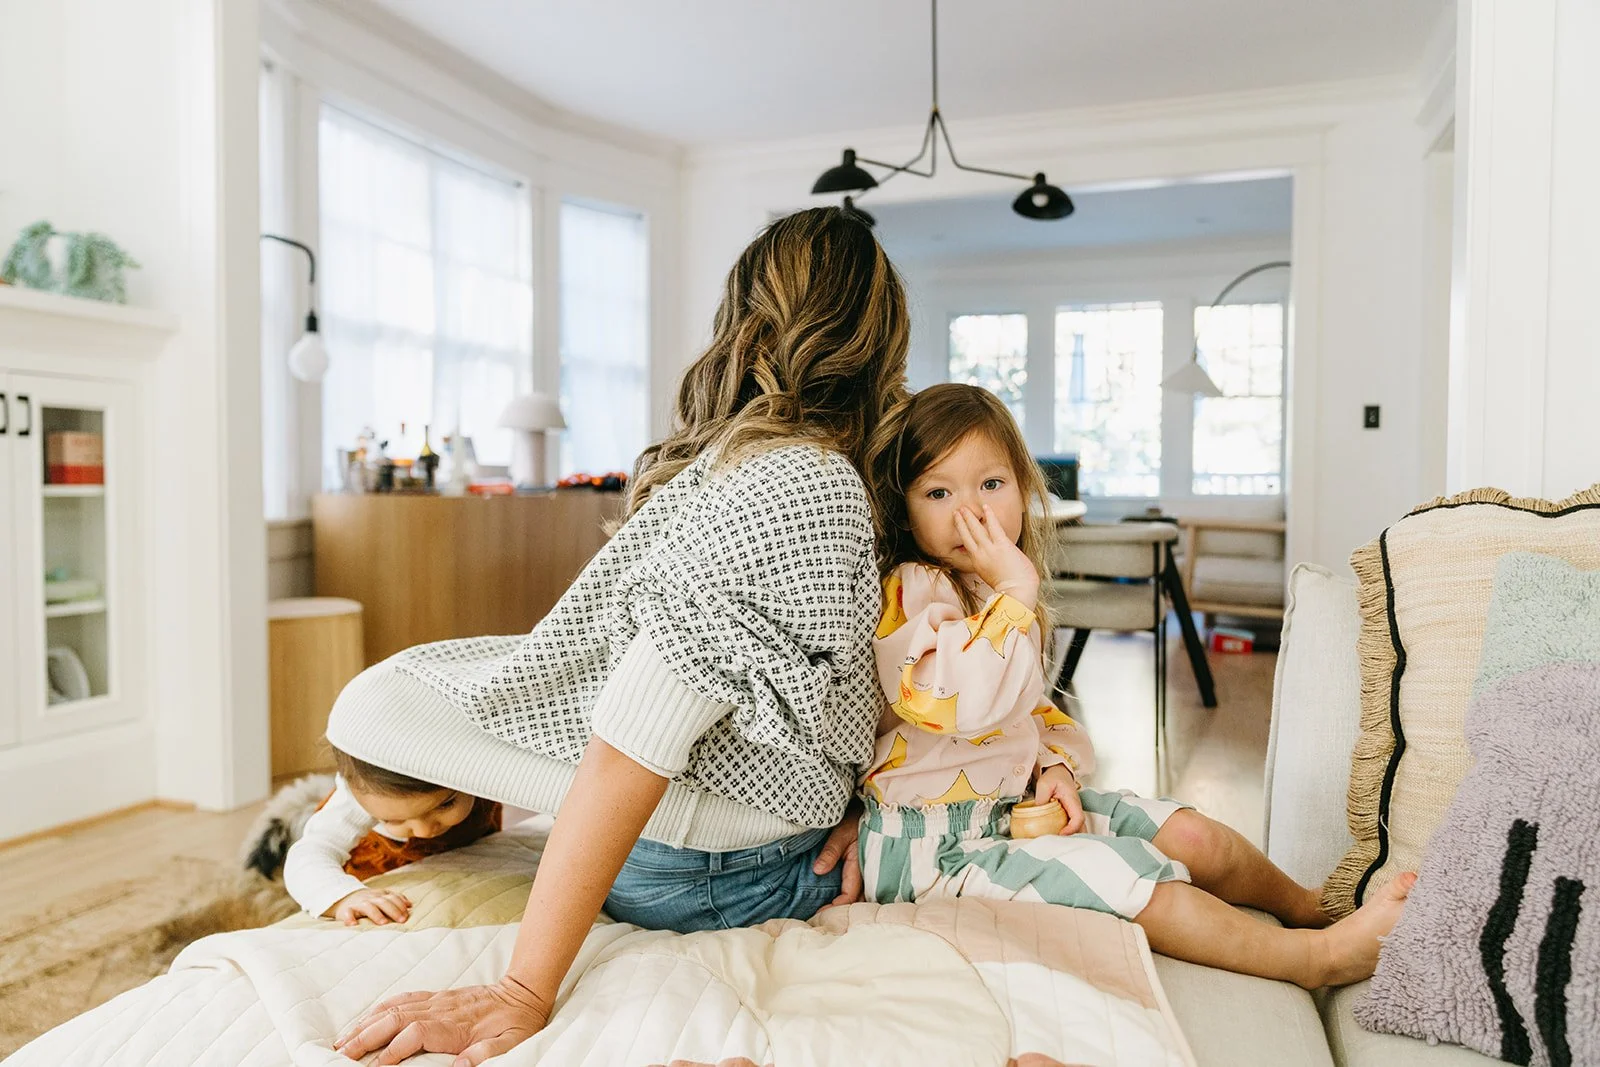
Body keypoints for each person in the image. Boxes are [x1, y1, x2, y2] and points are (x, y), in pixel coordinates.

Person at [334, 205, 910, 1065]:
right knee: (395, 697)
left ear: (746, 324)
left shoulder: (771, 475)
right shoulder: (818, 476)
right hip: (719, 847)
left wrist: (521, 989)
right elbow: (866, 691)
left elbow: (641, 740)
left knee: (383, 704)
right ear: (880, 340)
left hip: (713, 872)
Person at [859, 382, 1415, 990]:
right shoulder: (914, 592)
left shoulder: (996, 591)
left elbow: (1025, 713)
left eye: (991, 484)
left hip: (1016, 807)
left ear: (1024, 487)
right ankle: (1317, 961)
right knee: (1142, 883)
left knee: (1197, 836)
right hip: (936, 851)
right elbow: (960, 702)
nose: (975, 514)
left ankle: (1307, 905)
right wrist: (1017, 594)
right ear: (906, 512)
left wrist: (1056, 767)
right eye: (939, 492)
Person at [282, 749, 503, 925]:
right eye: (394, 820)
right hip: (376, 870)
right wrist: (343, 896)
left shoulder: (479, 768)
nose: (424, 831)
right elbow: (309, 854)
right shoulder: (357, 796)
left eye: (445, 804)